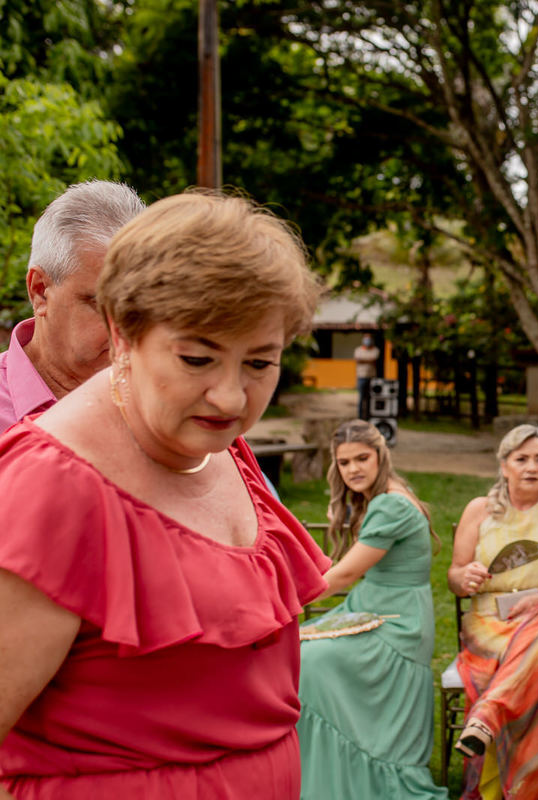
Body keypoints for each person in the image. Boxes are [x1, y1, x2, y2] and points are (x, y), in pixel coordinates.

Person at [0, 190, 328, 799]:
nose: (231, 398)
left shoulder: (219, 442)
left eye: (260, 363)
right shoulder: (54, 483)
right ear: (125, 333)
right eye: (197, 358)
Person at [298, 419, 448, 799]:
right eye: (345, 462)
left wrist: (283, 602)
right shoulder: (385, 497)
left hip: (396, 623)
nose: (354, 470)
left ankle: (342, 773)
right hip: (375, 608)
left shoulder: (391, 504)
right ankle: (320, 768)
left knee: (307, 662)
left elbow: (346, 573)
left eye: (362, 458)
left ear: (381, 455)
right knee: (296, 652)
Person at [447, 424, 538, 800]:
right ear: (504, 465)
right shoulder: (479, 510)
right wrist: (467, 576)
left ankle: (488, 716)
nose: (531, 467)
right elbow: (454, 575)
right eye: (521, 458)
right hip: (490, 625)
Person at [0, 180, 145, 429]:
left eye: (141, 305)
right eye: (103, 305)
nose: (127, 329)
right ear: (40, 291)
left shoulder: (169, 402)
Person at [354, 334, 380, 420]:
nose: (367, 341)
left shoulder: (375, 350)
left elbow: (374, 359)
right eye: (366, 339)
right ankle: (360, 417)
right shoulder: (358, 350)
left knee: (370, 398)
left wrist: (363, 360)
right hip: (361, 377)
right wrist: (368, 360)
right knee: (361, 398)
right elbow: (358, 359)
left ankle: (369, 417)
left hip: (371, 377)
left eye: (369, 339)